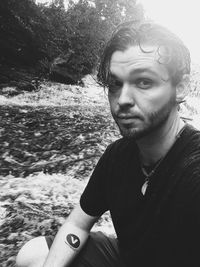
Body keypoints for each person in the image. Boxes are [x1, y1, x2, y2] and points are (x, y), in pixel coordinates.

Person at [16, 20, 200, 267]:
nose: (123, 99)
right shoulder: (118, 155)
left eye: (143, 82)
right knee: (32, 254)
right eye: (115, 84)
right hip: (129, 257)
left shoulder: (193, 170)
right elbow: (76, 224)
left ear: (180, 88)